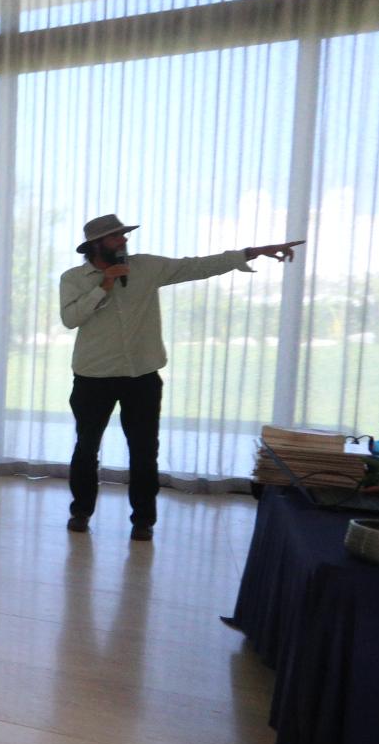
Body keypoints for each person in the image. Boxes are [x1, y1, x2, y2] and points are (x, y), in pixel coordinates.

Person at [60, 213, 303, 540]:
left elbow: (197, 266)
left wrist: (252, 251)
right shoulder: (74, 277)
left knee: (145, 450)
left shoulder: (146, 267)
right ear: (95, 244)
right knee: (86, 448)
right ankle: (81, 511)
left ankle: (143, 521)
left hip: (142, 376)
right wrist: (103, 287)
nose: (124, 241)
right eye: (116, 237)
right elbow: (71, 318)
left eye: (124, 235)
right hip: (94, 377)